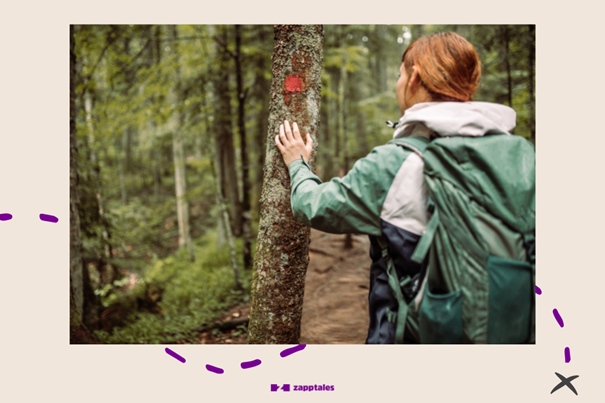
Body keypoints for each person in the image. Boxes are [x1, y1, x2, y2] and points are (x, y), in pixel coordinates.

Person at [274, 32, 530, 344]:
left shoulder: (395, 162)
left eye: (400, 74)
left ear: (414, 78)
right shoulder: (522, 156)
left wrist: (297, 163)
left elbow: (312, 205)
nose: (398, 83)